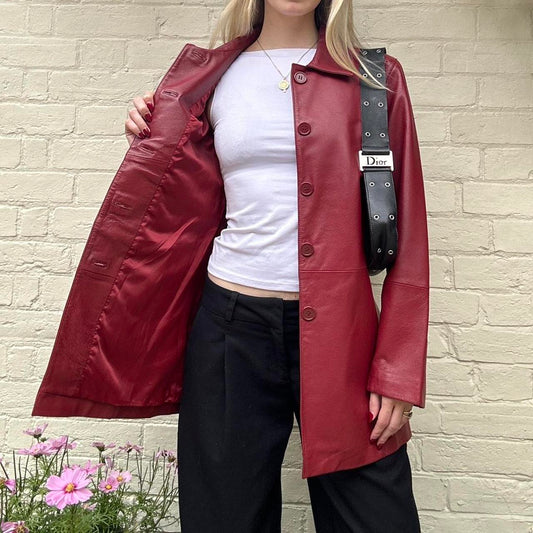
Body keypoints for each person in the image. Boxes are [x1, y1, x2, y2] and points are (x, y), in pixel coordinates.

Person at [32, 0, 429, 531]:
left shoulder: (374, 78)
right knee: (224, 518)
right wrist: (150, 133)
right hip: (229, 330)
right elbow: (178, 198)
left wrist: (397, 372)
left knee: (376, 516)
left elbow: (411, 230)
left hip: (344, 334)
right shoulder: (208, 78)